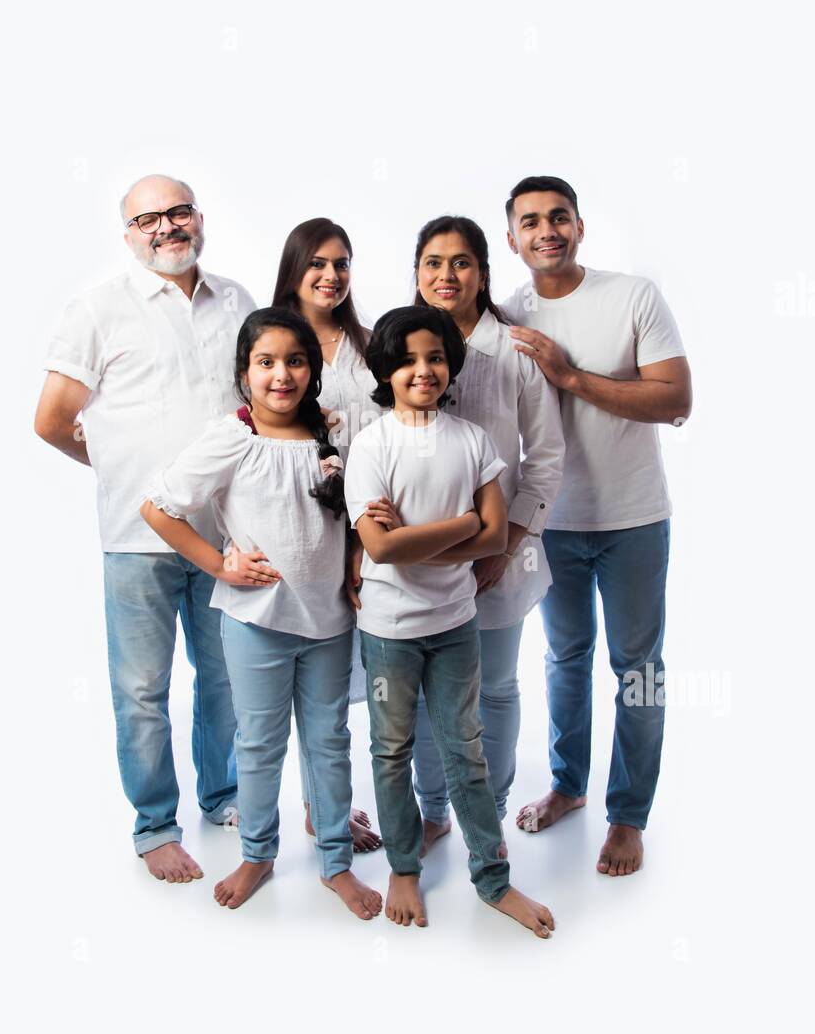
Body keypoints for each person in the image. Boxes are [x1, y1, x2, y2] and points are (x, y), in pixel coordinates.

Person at [34, 174, 255, 883]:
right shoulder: (98, 308)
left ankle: (222, 796)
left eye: (178, 212)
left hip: (225, 535)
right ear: (128, 233)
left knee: (224, 680)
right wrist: (129, 471)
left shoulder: (239, 302)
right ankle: (155, 824)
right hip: (137, 540)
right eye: (148, 218)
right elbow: (50, 421)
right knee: (140, 690)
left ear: (199, 218)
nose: (166, 227)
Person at [140, 308, 383, 920]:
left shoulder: (330, 434)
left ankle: (334, 861)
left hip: (328, 623)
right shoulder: (233, 437)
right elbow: (158, 507)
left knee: (328, 742)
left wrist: (354, 563)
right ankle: (257, 853)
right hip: (256, 623)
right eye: (266, 362)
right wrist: (219, 566)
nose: (282, 375)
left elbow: (344, 519)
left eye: (296, 361)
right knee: (260, 745)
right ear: (244, 373)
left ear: (313, 369)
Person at [344, 305, 556, 937]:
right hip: (389, 632)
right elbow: (379, 550)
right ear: (386, 368)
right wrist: (463, 524)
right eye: (407, 359)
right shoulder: (371, 445)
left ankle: (492, 879)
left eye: (435, 357)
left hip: (456, 623)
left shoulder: (472, 440)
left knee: (466, 750)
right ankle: (403, 867)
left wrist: (428, 534)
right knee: (391, 750)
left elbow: (495, 540)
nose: (423, 370)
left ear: (451, 364)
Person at [503, 175, 692, 876]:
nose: (545, 231)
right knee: (563, 660)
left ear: (579, 227)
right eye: (530, 222)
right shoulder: (508, 313)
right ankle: (566, 785)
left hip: (633, 518)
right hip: (551, 522)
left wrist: (571, 376)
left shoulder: (630, 296)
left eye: (558, 218)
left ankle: (628, 815)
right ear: (513, 239)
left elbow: (675, 399)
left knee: (639, 670)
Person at [409, 216, 565, 853]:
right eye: (434, 263)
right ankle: (432, 810)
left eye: (462, 262)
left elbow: (547, 458)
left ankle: (491, 812)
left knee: (494, 688)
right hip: (417, 558)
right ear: (417, 273)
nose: (447, 276)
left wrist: (508, 544)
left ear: (483, 271)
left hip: (499, 557)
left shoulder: (516, 352)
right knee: (421, 693)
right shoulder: (401, 343)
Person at [270, 218, 384, 851]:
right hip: (304, 527)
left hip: (371, 526)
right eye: (317, 262)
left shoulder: (367, 345)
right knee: (316, 679)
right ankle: (319, 809)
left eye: (342, 263)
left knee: (359, 671)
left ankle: (334, 802)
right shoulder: (276, 341)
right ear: (294, 268)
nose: (331, 275)